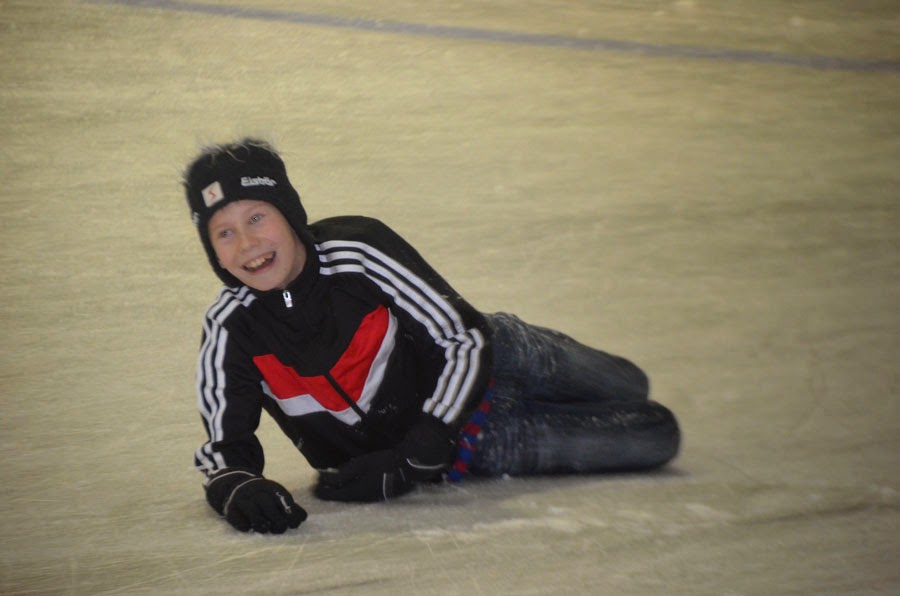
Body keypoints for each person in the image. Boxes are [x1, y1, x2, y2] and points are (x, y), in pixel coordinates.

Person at [183, 138, 681, 534]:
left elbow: (462, 339)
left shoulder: (357, 252)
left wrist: (417, 447)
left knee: (628, 383)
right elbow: (226, 445)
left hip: (498, 359)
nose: (247, 243)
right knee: (656, 433)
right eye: (224, 233)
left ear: (289, 213)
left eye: (256, 218)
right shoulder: (232, 328)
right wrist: (237, 487)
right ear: (212, 251)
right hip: (475, 442)